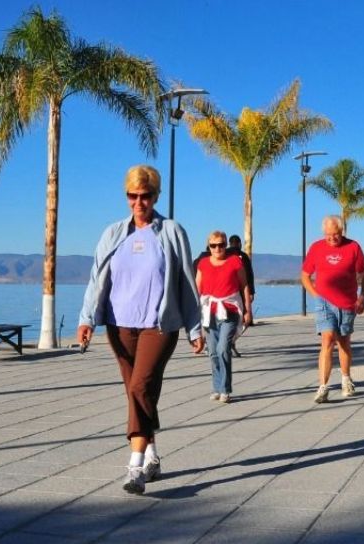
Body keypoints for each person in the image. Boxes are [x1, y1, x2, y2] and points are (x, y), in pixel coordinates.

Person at [78, 165, 204, 495]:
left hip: (159, 326)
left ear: (156, 196)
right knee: (139, 392)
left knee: (139, 386)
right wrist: (87, 318)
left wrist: (195, 327)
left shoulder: (172, 232)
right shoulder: (113, 234)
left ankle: (134, 468)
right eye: (133, 196)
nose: (139, 202)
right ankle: (151, 454)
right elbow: (96, 279)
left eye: (145, 196)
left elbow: (187, 284)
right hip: (119, 326)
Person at [300, 215, 364, 403]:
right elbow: (305, 276)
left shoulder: (353, 247)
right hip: (324, 302)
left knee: (344, 342)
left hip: (348, 303)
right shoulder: (316, 247)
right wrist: (316, 295)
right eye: (328, 235)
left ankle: (346, 379)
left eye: (336, 235)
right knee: (327, 339)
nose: (332, 238)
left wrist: (362, 298)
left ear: (342, 232)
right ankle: (323, 386)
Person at [196, 230, 253, 403]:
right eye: (213, 245)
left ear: (226, 244)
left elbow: (244, 285)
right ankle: (217, 387)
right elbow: (197, 288)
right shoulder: (203, 263)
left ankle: (226, 389)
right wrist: (192, 313)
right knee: (213, 352)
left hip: (229, 311)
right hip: (210, 313)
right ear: (209, 247)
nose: (217, 248)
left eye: (221, 244)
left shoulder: (235, 261)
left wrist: (247, 310)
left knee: (223, 349)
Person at [225, 234, 255, 357]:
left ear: (229, 243)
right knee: (243, 320)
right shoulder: (244, 257)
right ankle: (230, 342)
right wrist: (251, 292)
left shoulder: (224, 254)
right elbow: (249, 275)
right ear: (240, 243)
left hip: (226, 291)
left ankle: (228, 343)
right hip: (241, 292)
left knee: (226, 319)